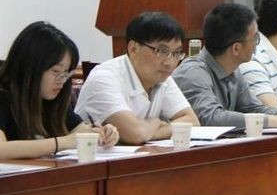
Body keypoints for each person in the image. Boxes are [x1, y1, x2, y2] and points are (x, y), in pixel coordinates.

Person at [75, 12, 199, 145]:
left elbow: (192, 121)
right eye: (162, 51)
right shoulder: (104, 78)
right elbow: (135, 134)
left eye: (176, 53)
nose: (170, 62)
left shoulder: (161, 76)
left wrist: (150, 131)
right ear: (133, 49)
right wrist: (156, 124)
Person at [172, 3, 277, 128]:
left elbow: (252, 108)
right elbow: (211, 118)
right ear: (236, 48)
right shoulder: (193, 72)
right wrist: (274, 121)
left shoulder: (233, 69)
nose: (257, 43)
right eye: (255, 38)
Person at [0, 22, 118, 159]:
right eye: (55, 71)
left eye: (66, 73)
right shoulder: (3, 95)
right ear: (30, 67)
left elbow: (79, 130)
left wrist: (101, 133)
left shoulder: (52, 98)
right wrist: (63, 142)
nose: (62, 80)